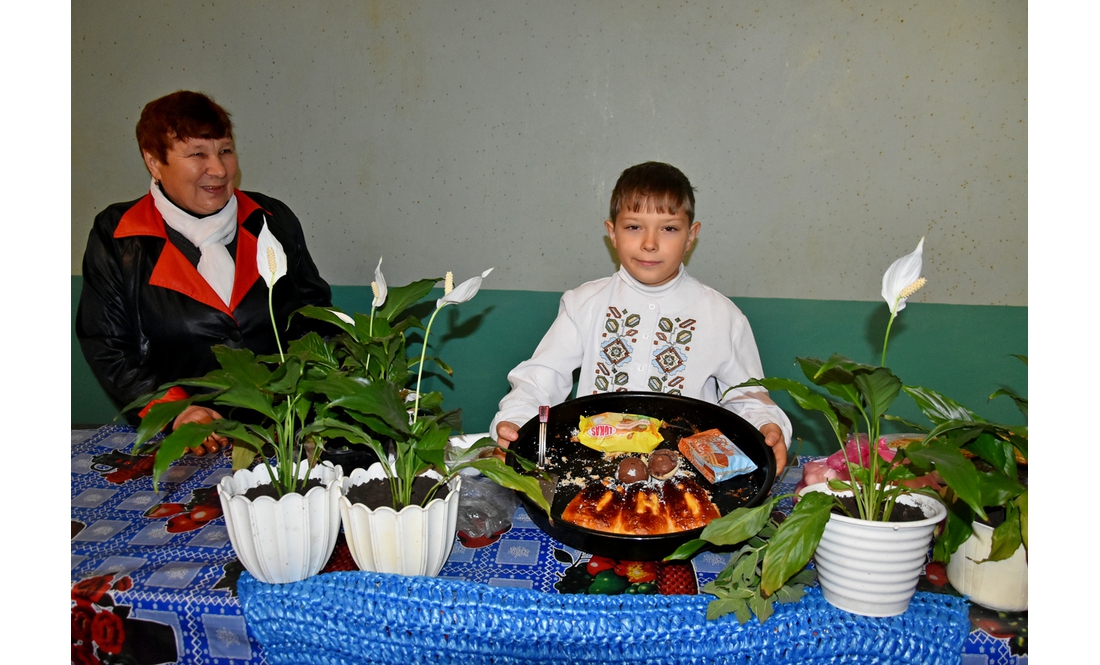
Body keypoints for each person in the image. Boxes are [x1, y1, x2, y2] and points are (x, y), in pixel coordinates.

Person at [490, 162, 793, 471]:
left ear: (691, 236)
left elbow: (747, 399)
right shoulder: (584, 305)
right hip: (593, 472)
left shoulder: (723, 316)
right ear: (613, 233)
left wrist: (767, 425)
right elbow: (540, 382)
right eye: (634, 227)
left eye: (669, 228)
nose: (650, 243)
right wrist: (514, 421)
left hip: (689, 478)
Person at [77, 91, 332, 455]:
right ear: (153, 161)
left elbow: (315, 314)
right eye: (198, 154)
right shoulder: (118, 236)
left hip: (284, 431)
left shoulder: (271, 220)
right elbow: (108, 345)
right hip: (190, 444)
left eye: (225, 150)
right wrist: (178, 411)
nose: (219, 169)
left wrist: (314, 394)